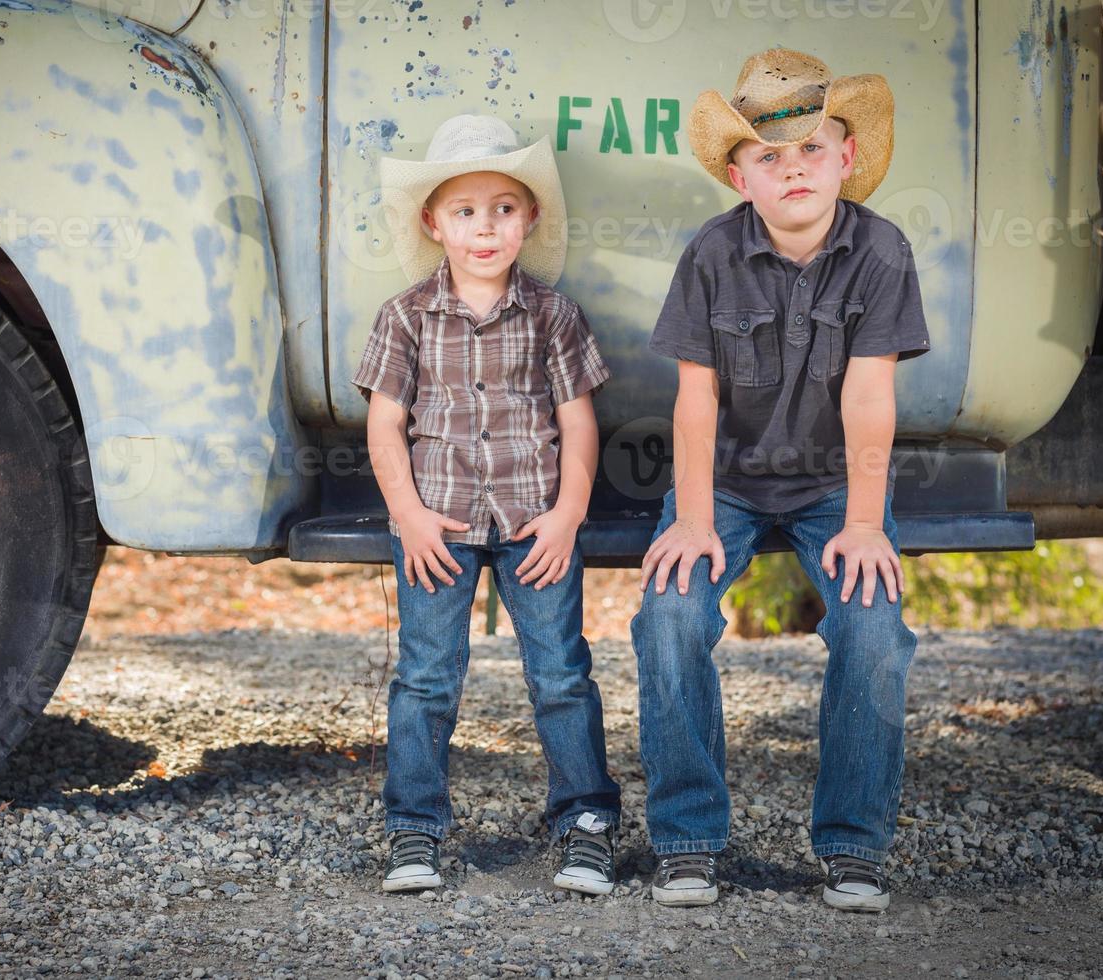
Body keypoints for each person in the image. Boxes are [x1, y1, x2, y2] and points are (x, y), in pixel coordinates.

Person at [634, 48, 932, 912]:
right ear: (739, 173)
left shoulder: (880, 251)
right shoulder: (712, 254)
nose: (793, 168)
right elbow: (695, 403)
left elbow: (872, 395)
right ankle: (688, 839)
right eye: (770, 156)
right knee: (668, 613)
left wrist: (867, 523)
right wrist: (691, 519)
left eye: (812, 149)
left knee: (874, 627)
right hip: (721, 481)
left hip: (837, 486)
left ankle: (854, 846)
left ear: (847, 157)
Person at [352, 114, 622, 896]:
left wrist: (570, 513)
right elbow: (385, 425)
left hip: (536, 522)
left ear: (528, 219)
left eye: (504, 207)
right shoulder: (405, 316)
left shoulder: (552, 315)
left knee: (562, 672)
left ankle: (585, 823)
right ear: (434, 222)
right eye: (465, 211)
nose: (485, 227)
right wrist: (404, 513)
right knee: (427, 677)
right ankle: (414, 830)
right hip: (436, 524)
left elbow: (577, 422)